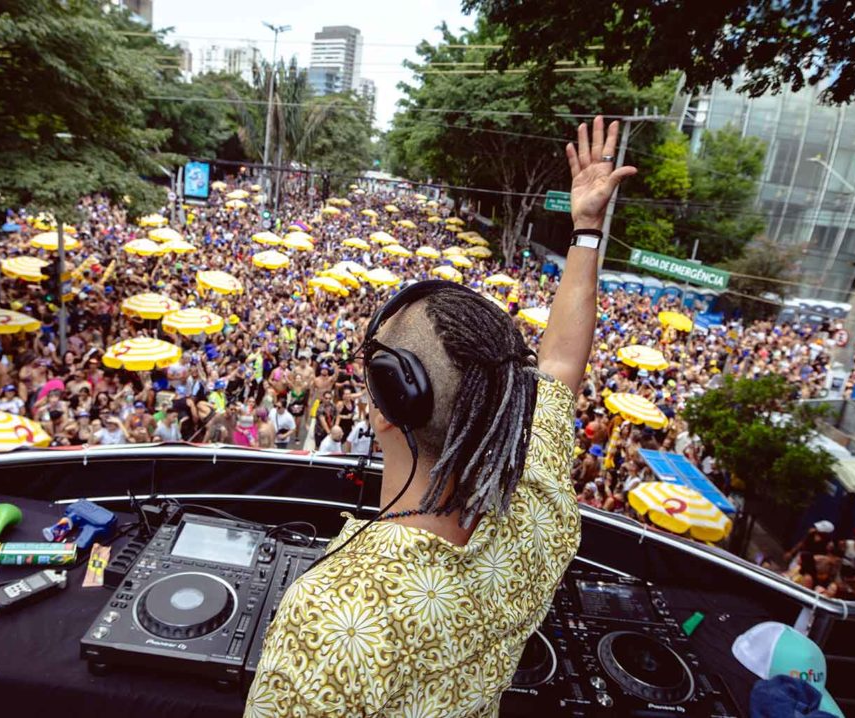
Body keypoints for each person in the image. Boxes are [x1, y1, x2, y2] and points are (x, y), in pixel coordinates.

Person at [245, 115, 632, 716]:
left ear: (386, 403)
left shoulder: (328, 619)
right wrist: (586, 231)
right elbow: (558, 364)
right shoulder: (540, 507)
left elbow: (553, 367)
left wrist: (586, 226)